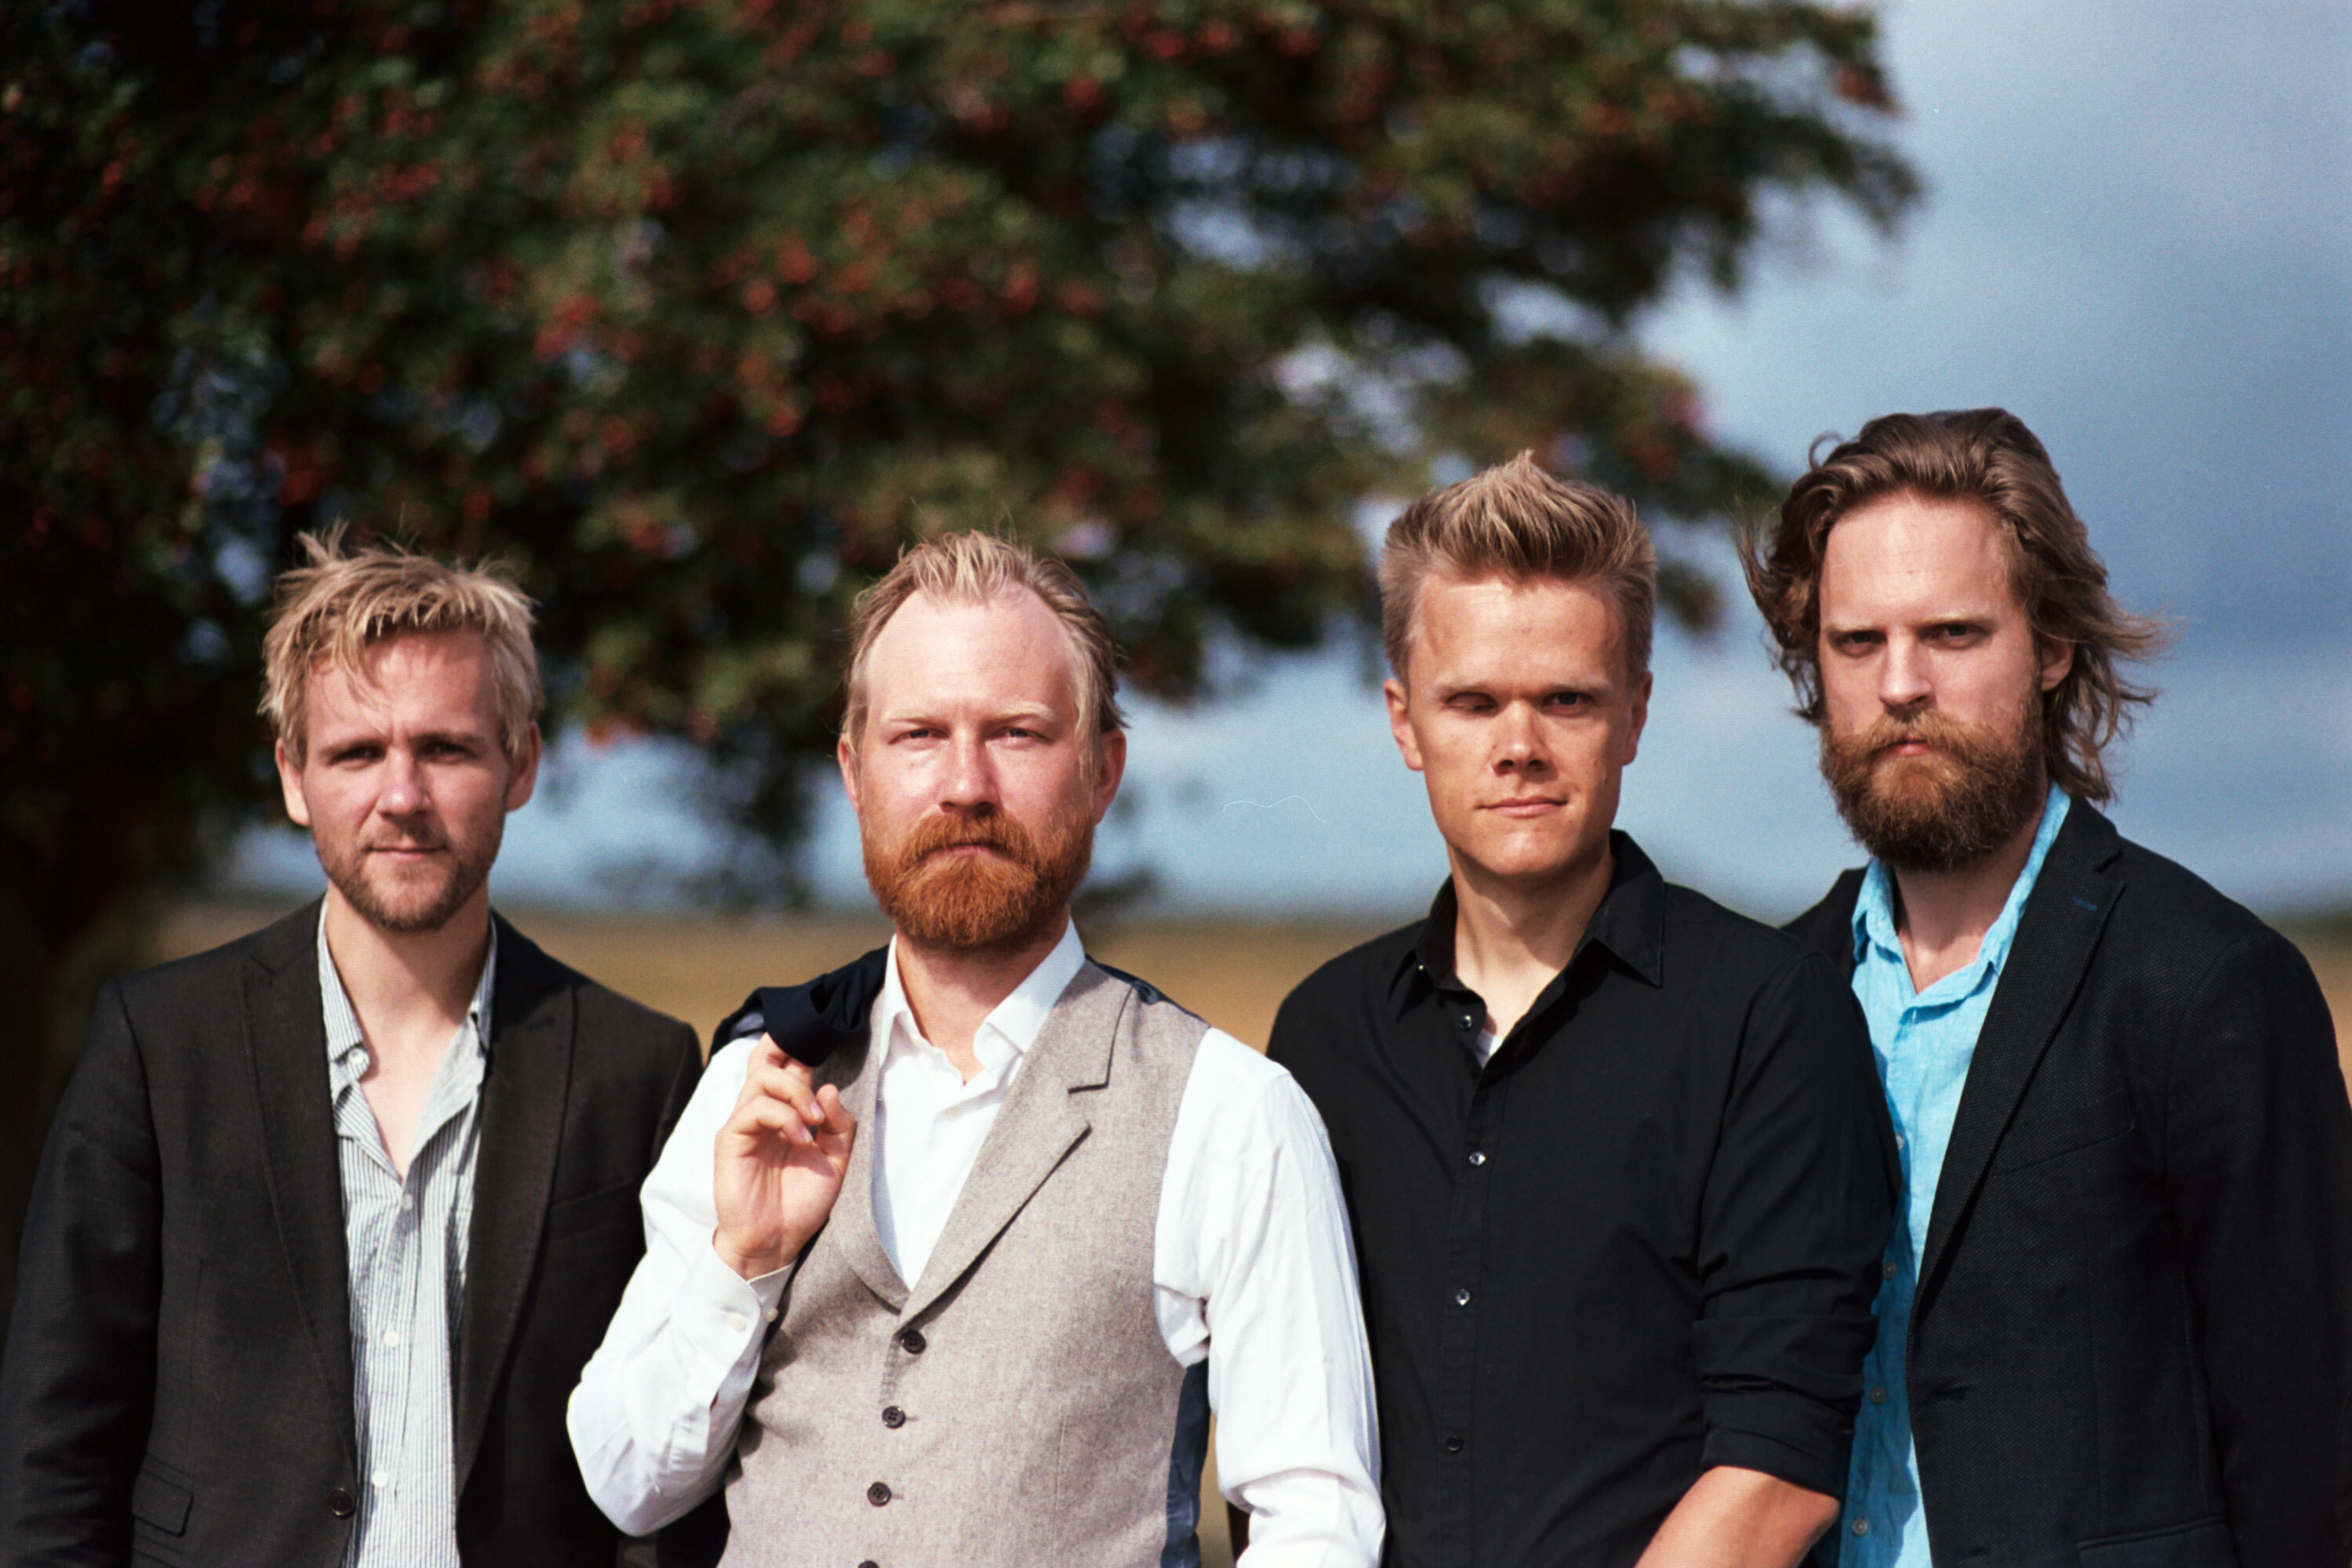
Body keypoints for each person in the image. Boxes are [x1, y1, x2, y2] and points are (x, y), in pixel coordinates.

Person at [568, 532, 1381, 1567]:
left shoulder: (1232, 1112)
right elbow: (626, 1485)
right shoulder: (756, 1081)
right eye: (919, 735)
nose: (965, 784)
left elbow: (1319, 1527)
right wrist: (746, 1265)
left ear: (1102, 770)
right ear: (855, 773)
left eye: (1017, 733)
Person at [0, 534, 704, 1564]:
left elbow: (674, 1458)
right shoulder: (159, 1048)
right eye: (356, 753)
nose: (403, 796)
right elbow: (56, 1450)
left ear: (522, 764)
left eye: (447, 748)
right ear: (294, 778)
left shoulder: (636, 1070)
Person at [1746, 408, 2352, 1566]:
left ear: (2056, 646)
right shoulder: (1765, 998)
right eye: (1857, 642)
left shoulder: (2211, 986)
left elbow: (2308, 1462)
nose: (1903, 684)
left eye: (1955, 634)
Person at [1268, 456, 1895, 1568]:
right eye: (1473, 702)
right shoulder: (1324, 1039)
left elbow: (1781, 1464)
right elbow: (1290, 1445)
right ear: (1405, 722)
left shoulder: (1768, 1017)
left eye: (1566, 699)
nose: (1520, 745)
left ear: (1635, 714)